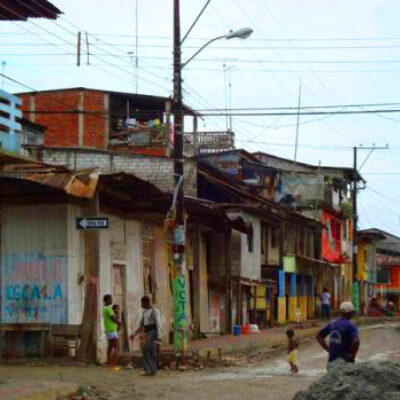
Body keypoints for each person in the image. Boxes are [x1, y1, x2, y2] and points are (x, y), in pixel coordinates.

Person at [316, 301, 360, 370]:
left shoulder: (332, 323)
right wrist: (353, 355)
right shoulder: (351, 326)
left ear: (341, 312)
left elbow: (319, 336)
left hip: (332, 360)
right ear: (351, 313)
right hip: (345, 360)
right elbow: (356, 341)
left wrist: (328, 349)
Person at [130, 295, 162, 376]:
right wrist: (134, 333)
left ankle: (149, 369)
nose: (141, 305)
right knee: (147, 350)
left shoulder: (155, 311)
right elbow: (141, 325)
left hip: (153, 332)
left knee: (146, 348)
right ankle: (150, 370)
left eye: (142, 303)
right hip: (147, 333)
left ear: (146, 302)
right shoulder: (144, 312)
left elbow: (158, 324)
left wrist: (159, 337)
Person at [103, 294, 121, 370]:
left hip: (108, 330)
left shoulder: (105, 308)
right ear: (106, 300)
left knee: (110, 347)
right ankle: (113, 365)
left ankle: (109, 363)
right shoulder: (108, 309)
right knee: (117, 347)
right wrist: (119, 323)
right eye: (110, 299)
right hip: (112, 330)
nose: (111, 301)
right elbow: (113, 319)